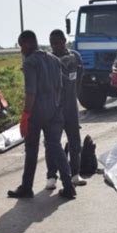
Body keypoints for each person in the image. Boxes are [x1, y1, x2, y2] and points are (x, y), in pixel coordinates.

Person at [7, 30, 76, 199]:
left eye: (21, 45)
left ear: (27, 43)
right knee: (55, 146)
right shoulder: (54, 59)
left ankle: (27, 187)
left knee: (31, 149)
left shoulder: (30, 63)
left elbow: (31, 92)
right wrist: (55, 106)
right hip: (55, 110)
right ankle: (69, 186)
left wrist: (25, 115)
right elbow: (60, 87)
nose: (21, 49)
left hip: (37, 113)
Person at [45, 29, 86, 190]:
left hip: (71, 107)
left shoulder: (75, 57)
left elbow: (80, 76)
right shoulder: (48, 60)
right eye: (52, 43)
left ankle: (75, 174)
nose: (55, 46)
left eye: (57, 42)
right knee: (52, 143)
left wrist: (73, 94)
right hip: (53, 109)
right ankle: (51, 176)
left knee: (75, 141)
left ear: (64, 41)